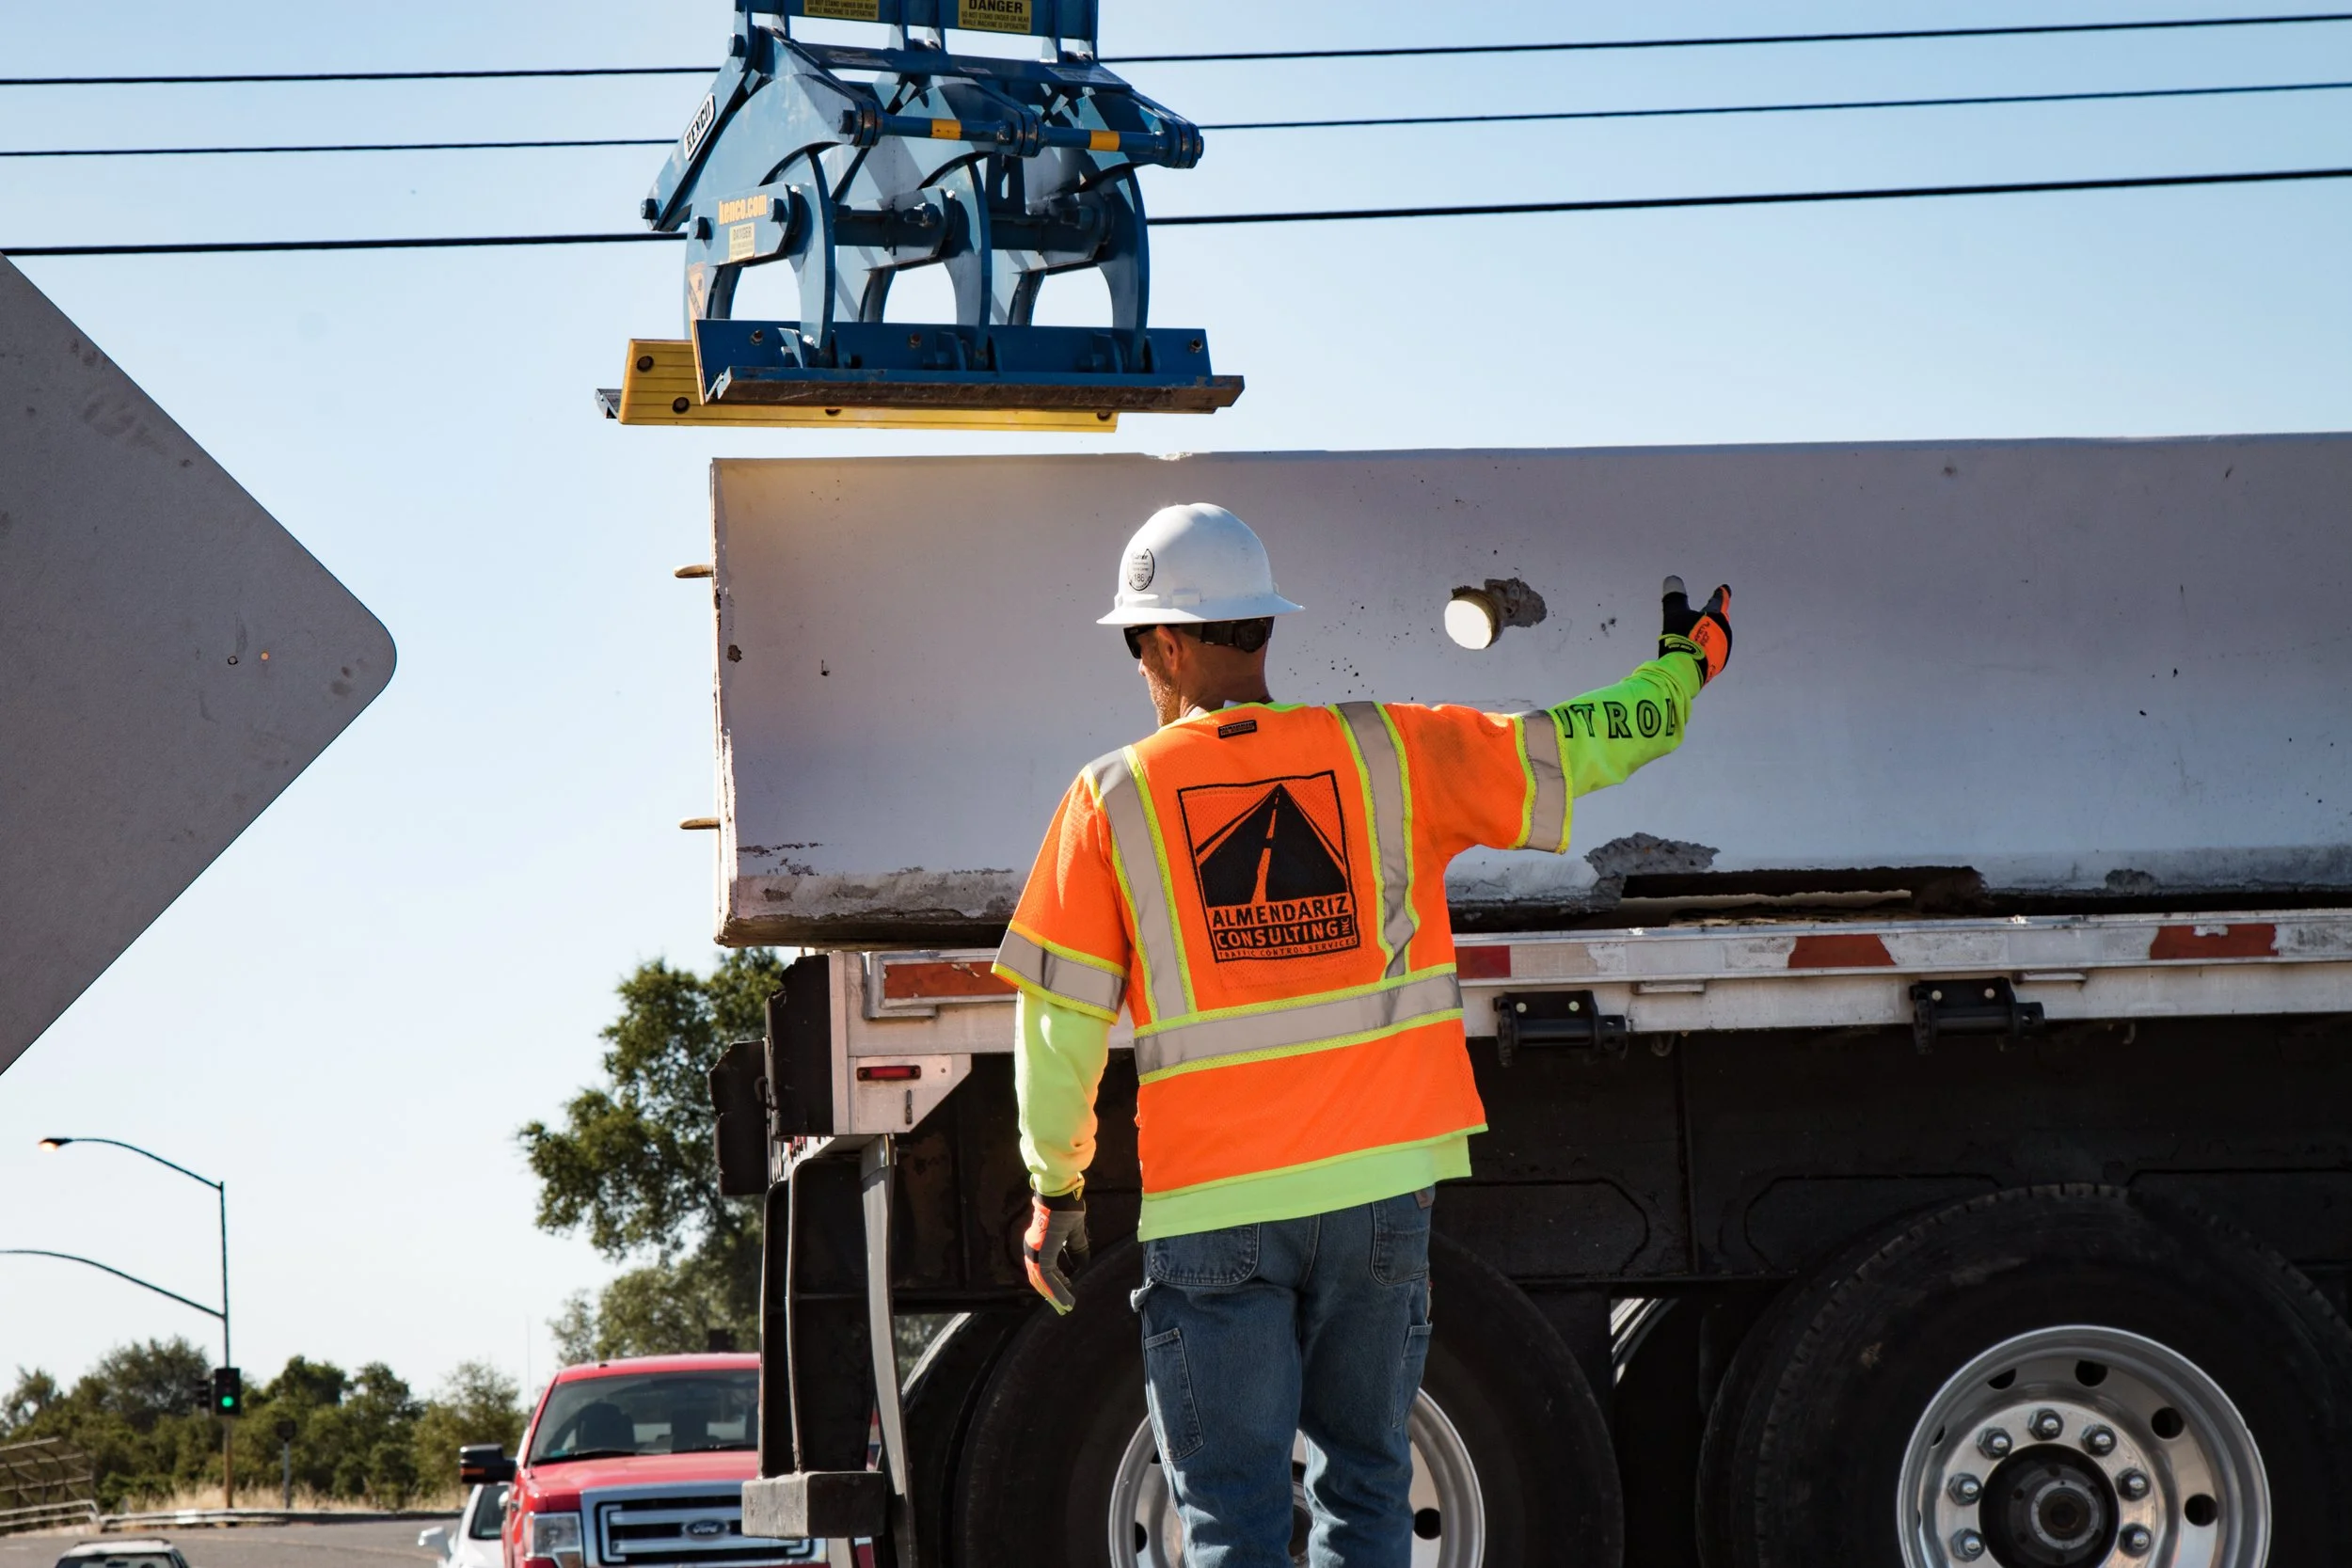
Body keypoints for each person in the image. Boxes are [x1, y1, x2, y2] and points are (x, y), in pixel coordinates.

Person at [992, 502, 1730, 1566]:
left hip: (1216, 1205)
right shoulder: (1390, 749)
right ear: (1260, 627)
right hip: (1380, 1191)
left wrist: (1053, 1188)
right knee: (1368, 1487)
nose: (1139, 669)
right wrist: (1683, 669)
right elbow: (1581, 743)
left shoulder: (1112, 796)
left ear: (1165, 640)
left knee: (1231, 1517)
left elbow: (1057, 1026)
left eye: (1136, 645)